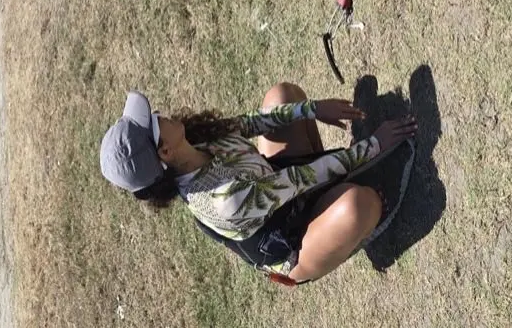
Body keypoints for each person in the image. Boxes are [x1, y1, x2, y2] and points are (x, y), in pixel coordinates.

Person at [99, 82, 418, 285]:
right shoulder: (223, 201)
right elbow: (301, 178)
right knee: (356, 207)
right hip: (295, 236)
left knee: (283, 96)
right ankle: (361, 225)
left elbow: (250, 123)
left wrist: (312, 109)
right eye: (155, 122)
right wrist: (375, 145)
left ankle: (346, 193)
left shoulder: (194, 138)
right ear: (165, 152)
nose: (159, 113)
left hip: (281, 183)